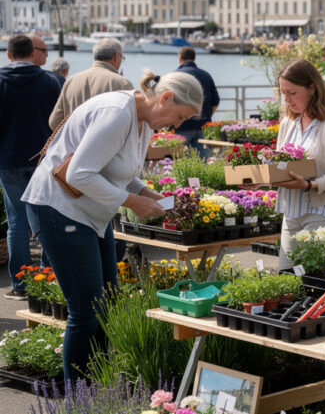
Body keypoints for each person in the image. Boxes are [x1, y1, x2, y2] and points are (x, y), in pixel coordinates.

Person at [22, 71, 203, 381]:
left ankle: (102, 385)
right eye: (180, 116)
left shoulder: (144, 119)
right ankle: (78, 397)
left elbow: (120, 172)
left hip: (91, 215)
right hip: (58, 210)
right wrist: (132, 202)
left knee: (107, 305)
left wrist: (151, 195)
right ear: (166, 98)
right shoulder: (118, 113)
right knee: (85, 312)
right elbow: (79, 174)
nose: (177, 126)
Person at [273, 59, 325, 270]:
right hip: (292, 214)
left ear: (312, 87)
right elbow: (280, 166)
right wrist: (261, 180)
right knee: (287, 279)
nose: (287, 100)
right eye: (284, 94)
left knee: (324, 283)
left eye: (292, 93)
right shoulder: (288, 124)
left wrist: (311, 185)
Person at [0, 35, 62, 299]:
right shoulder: (51, 81)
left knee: (16, 222)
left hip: (8, 158)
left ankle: (21, 284)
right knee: (45, 218)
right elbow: (61, 122)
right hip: (42, 159)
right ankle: (46, 275)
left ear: (9, 55)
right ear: (31, 53)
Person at [49, 38, 133, 130]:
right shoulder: (122, 84)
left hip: (75, 143)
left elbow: (54, 122)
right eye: (122, 58)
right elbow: (132, 124)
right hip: (106, 144)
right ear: (116, 57)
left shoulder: (71, 81)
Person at [174, 47, 220, 157]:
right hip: (203, 126)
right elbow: (215, 101)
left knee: (178, 160)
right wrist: (206, 117)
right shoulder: (206, 75)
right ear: (194, 58)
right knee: (203, 161)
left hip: (182, 127)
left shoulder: (175, 76)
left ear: (180, 58)